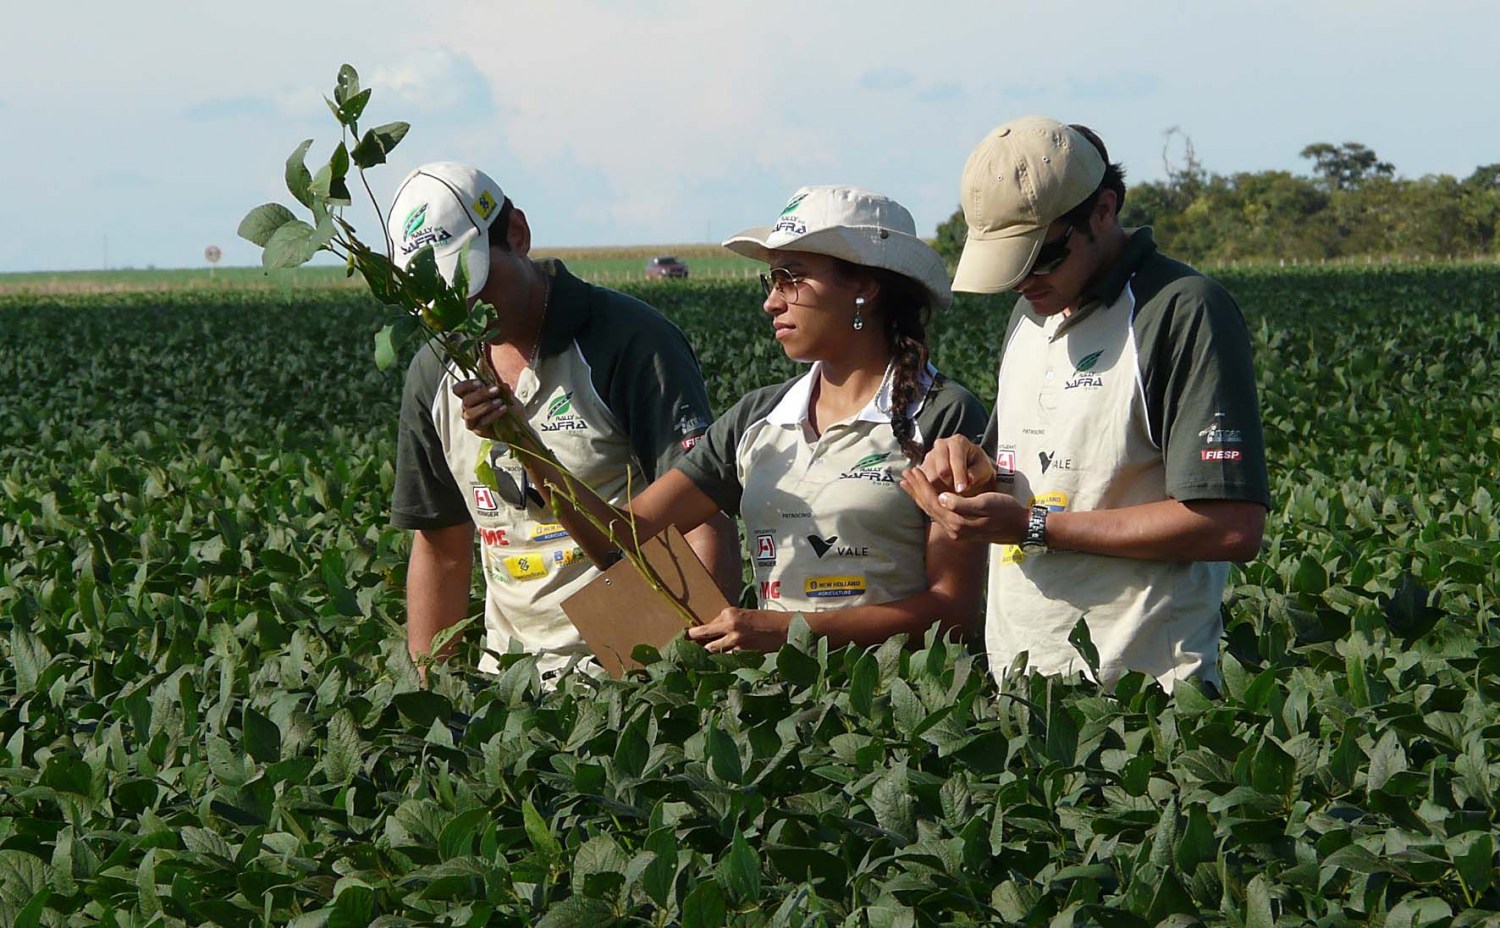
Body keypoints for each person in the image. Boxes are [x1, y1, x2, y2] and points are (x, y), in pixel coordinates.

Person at [459, 185, 989, 653]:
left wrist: (790, 632)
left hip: (902, 717)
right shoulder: (756, 418)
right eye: (771, 281)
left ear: (865, 288)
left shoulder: (943, 414)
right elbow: (619, 539)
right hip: (778, 709)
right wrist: (527, 445)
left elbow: (955, 614)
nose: (771, 302)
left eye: (792, 279)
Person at [901, 118, 1270, 693]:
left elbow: (1230, 526)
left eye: (1040, 257)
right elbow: (1020, 471)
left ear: (1103, 209)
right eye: (1009, 264)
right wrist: (966, 469)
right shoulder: (1030, 314)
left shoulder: (1180, 310)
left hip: (1147, 697)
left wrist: (1033, 526)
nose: (1023, 281)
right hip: (1023, 686)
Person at [386, 161, 739, 681]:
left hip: (634, 674)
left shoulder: (629, 341)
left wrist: (690, 675)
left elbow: (700, 517)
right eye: (442, 294)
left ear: (518, 234)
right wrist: (428, 689)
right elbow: (441, 547)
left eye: (475, 279)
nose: (465, 304)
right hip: (507, 678)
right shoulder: (433, 372)